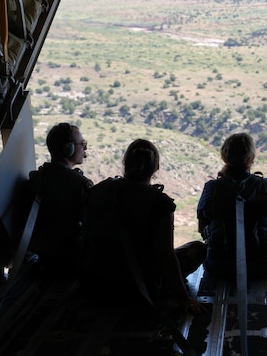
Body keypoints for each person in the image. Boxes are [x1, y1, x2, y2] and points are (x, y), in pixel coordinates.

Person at [79, 139, 204, 312]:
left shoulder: (98, 190)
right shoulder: (160, 203)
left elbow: (85, 236)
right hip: (138, 288)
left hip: (94, 283)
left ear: (125, 163)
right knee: (197, 249)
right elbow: (165, 256)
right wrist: (184, 300)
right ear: (156, 168)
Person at [197, 132, 267, 278]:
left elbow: (202, 228)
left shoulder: (212, 188)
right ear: (252, 158)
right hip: (264, 265)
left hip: (218, 266)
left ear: (224, 157)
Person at [25, 122, 93, 275]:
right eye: (82, 144)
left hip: (37, 259)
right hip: (67, 263)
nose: (85, 148)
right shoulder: (80, 184)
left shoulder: (35, 179)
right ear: (68, 148)